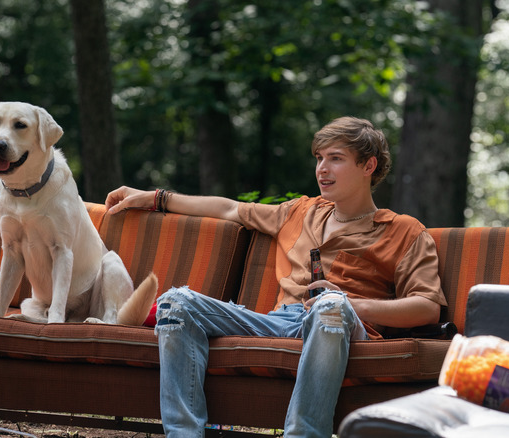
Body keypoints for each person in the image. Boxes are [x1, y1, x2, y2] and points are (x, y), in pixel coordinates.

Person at [105, 116, 447, 438]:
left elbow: (427, 307)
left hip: (340, 326)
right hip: (280, 322)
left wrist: (354, 304)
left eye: (336, 159)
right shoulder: (299, 212)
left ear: (368, 166)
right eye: (319, 158)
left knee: (330, 305)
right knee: (175, 303)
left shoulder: (404, 231)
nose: (322, 169)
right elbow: (228, 208)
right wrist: (154, 197)